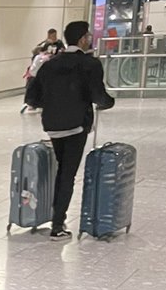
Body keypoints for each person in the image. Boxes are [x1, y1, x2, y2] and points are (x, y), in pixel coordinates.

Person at [24, 18, 115, 241]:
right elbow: (98, 96)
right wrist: (108, 102)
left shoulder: (49, 65)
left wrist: (55, 103)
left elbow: (31, 97)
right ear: (83, 39)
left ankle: (57, 217)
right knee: (67, 174)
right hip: (76, 127)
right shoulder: (90, 65)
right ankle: (57, 225)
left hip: (53, 126)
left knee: (62, 170)